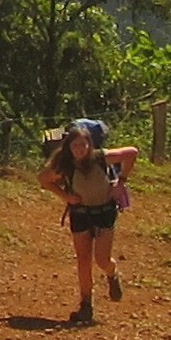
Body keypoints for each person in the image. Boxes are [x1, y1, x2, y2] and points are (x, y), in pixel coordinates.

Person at [42, 117, 127, 324]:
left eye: (83, 145)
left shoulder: (101, 158)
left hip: (104, 211)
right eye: (75, 145)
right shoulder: (65, 165)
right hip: (80, 213)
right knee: (83, 259)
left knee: (102, 259)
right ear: (68, 147)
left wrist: (121, 182)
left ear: (90, 145)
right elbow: (43, 179)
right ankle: (86, 305)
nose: (80, 149)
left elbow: (131, 153)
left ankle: (112, 272)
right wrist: (66, 197)